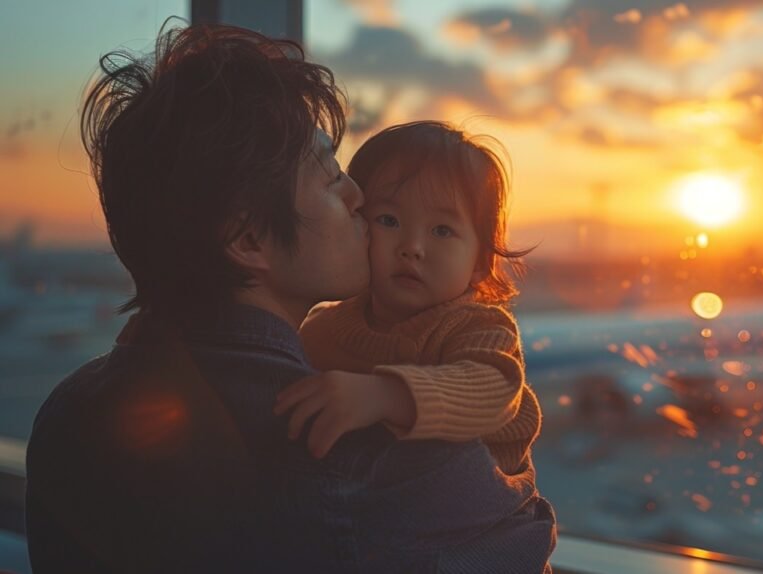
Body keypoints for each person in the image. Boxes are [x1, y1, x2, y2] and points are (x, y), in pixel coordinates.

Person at [25, 24, 554, 573]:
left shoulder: (67, 410)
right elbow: (523, 545)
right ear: (249, 239)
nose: (358, 197)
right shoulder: (358, 461)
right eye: (330, 179)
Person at [276, 121, 544, 478]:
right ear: (357, 226)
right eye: (389, 220)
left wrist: (384, 395)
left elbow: (495, 391)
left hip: (477, 519)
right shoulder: (323, 329)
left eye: (442, 230)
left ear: (481, 263)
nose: (412, 248)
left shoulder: (478, 326)